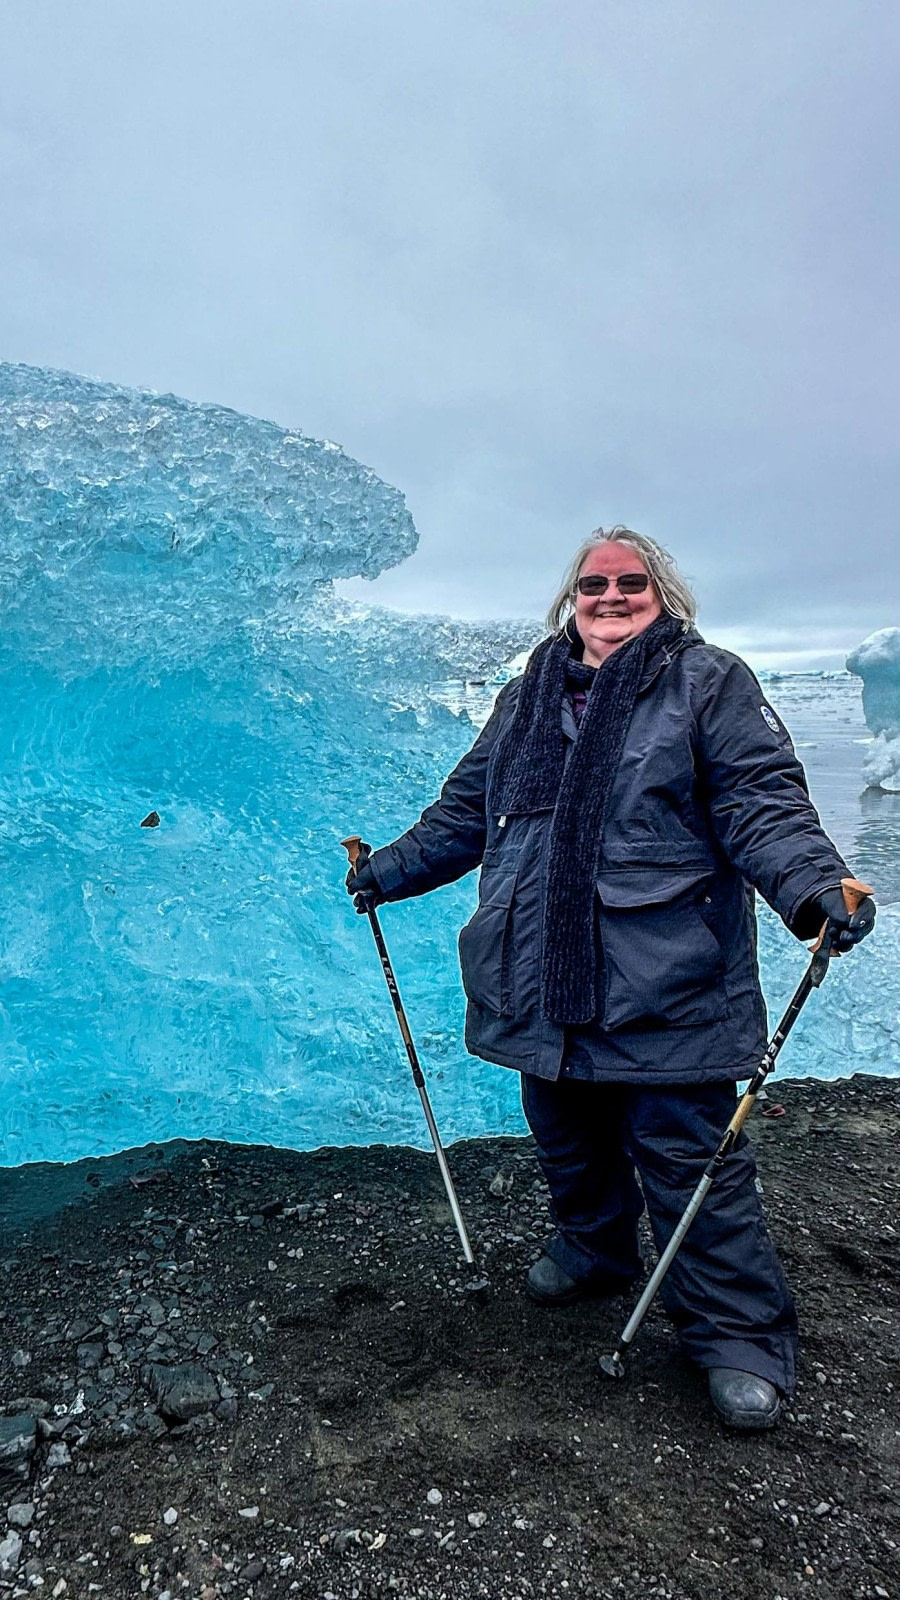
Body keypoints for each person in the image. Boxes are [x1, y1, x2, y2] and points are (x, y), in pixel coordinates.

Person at [345, 527, 876, 1429]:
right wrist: (390, 870)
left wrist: (815, 889)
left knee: (688, 1156)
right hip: (539, 974)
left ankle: (738, 1336)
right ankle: (596, 1250)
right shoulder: (525, 696)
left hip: (666, 975)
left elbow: (760, 800)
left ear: (661, 594)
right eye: (595, 582)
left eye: (633, 581)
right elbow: (468, 809)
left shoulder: (708, 683)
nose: (612, 594)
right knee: (566, 1128)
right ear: (571, 598)